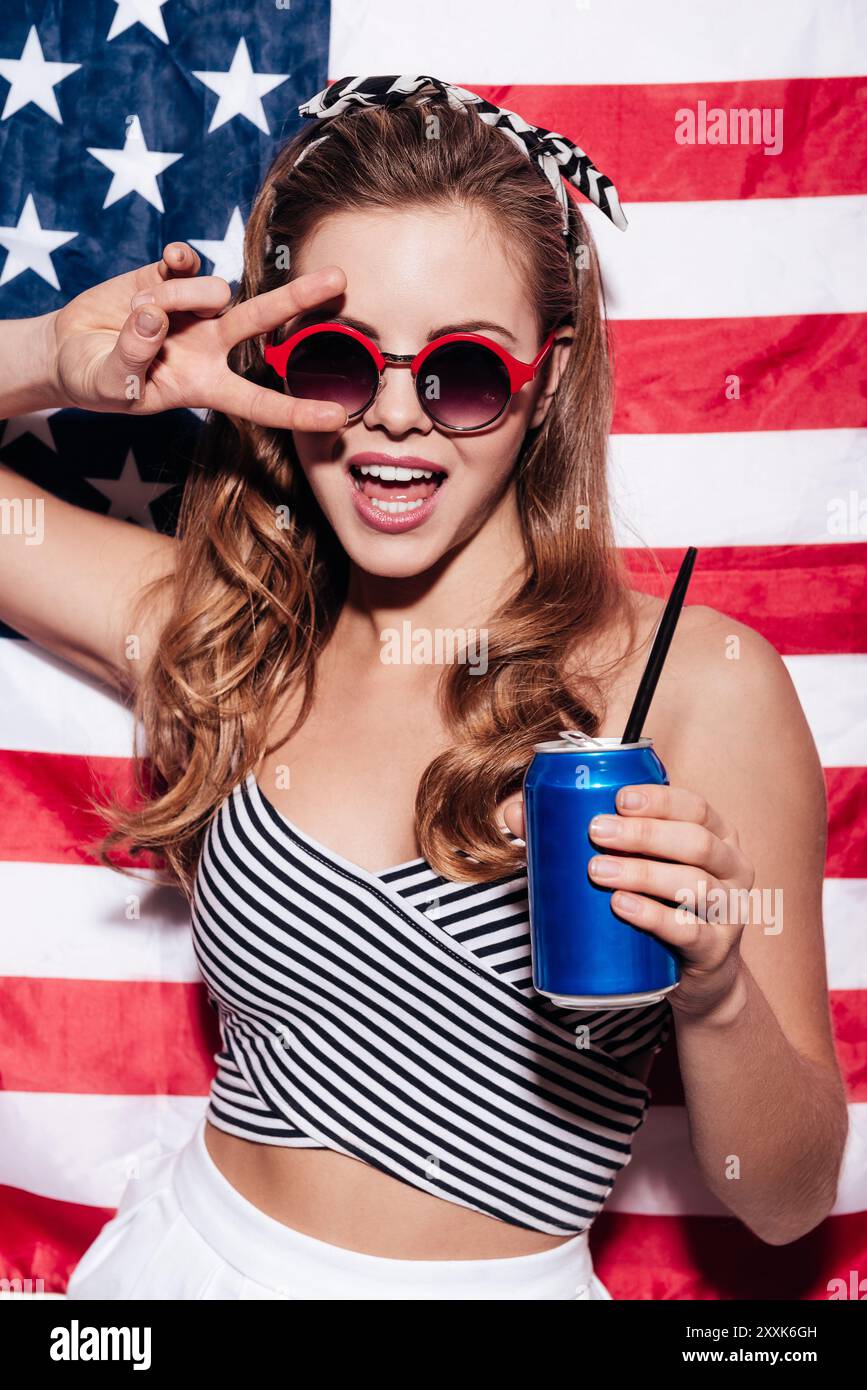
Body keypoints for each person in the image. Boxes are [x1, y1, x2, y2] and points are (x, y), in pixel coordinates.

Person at [0, 75, 847, 1301]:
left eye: (460, 373)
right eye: (339, 363)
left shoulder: (699, 688)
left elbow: (787, 1202)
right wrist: (49, 360)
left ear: (547, 380)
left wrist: (716, 986)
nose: (395, 420)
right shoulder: (229, 632)